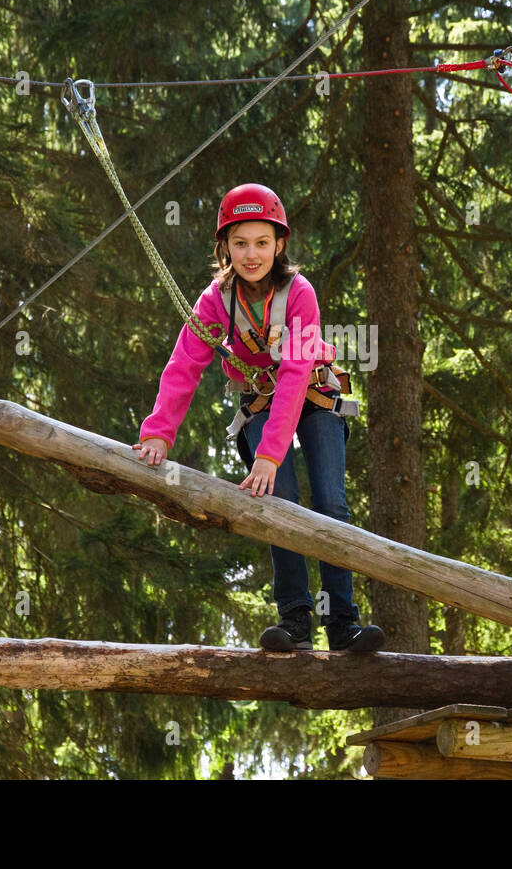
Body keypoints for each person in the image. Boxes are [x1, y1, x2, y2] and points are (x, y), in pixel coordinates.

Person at [133, 183, 384, 653]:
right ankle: (295, 622)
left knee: (330, 502)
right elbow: (184, 365)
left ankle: (343, 624)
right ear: (224, 246)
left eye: (262, 242)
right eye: (240, 242)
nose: (252, 254)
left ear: (280, 244)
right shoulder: (215, 301)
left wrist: (270, 453)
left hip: (312, 393)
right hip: (259, 401)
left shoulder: (299, 293)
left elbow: (293, 375)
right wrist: (159, 434)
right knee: (278, 502)